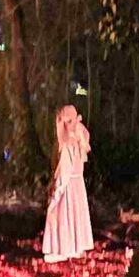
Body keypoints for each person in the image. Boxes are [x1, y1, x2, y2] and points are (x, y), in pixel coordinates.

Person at [41, 106, 94, 262]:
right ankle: (72, 247)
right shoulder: (74, 141)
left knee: (65, 215)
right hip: (75, 184)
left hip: (71, 185)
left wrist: (57, 192)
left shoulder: (70, 143)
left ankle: (65, 248)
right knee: (72, 215)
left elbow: (67, 170)